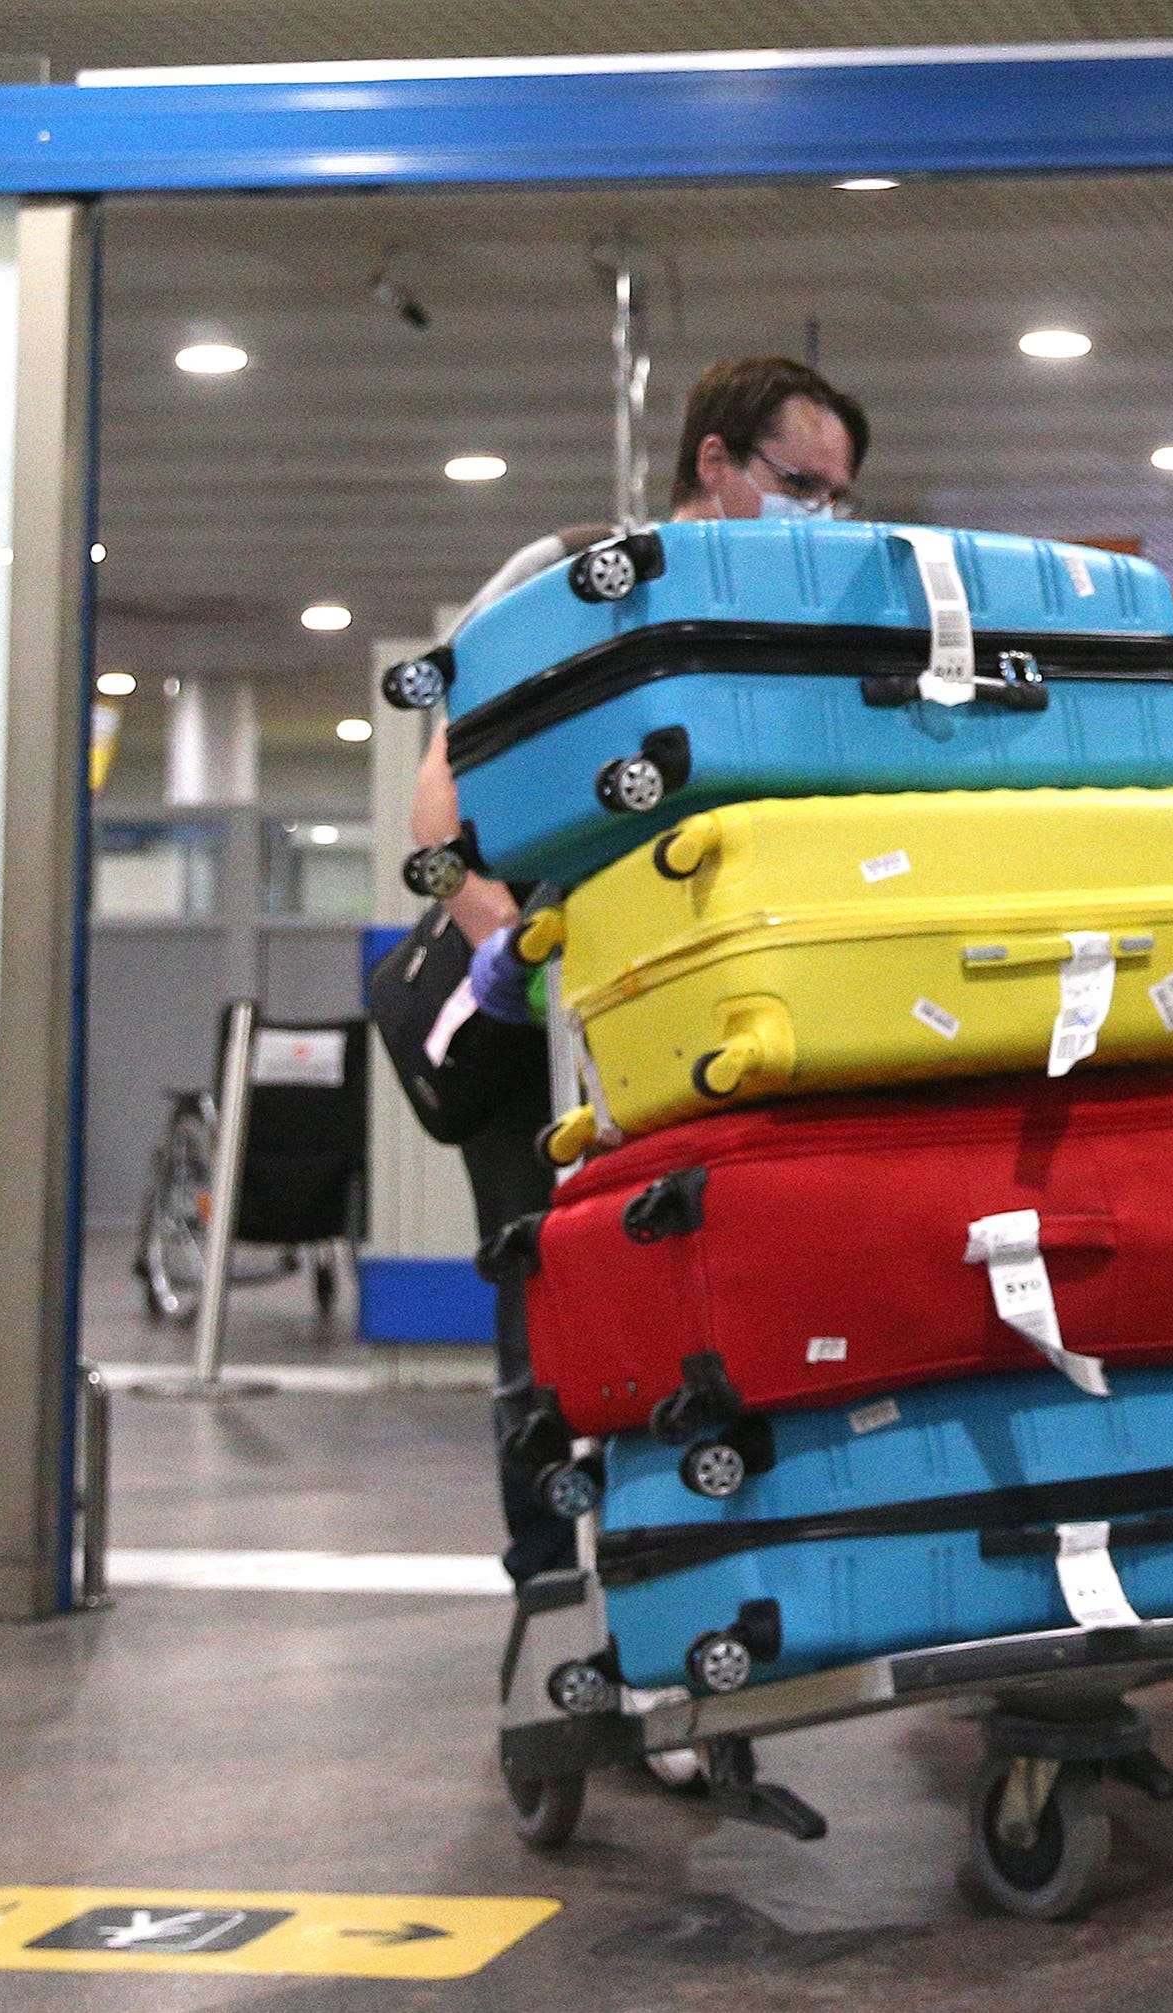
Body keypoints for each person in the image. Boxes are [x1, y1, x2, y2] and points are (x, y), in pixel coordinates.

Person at [407, 356, 871, 1582]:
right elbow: (437, 800)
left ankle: (693, 1582)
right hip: (545, 1017)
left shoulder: (790, 632)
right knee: (550, 1296)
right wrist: (514, 944)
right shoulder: (566, 581)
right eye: (799, 485)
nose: (820, 519)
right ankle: (557, 1585)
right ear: (714, 465)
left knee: (702, 1290)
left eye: (842, 500)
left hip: (696, 1017)